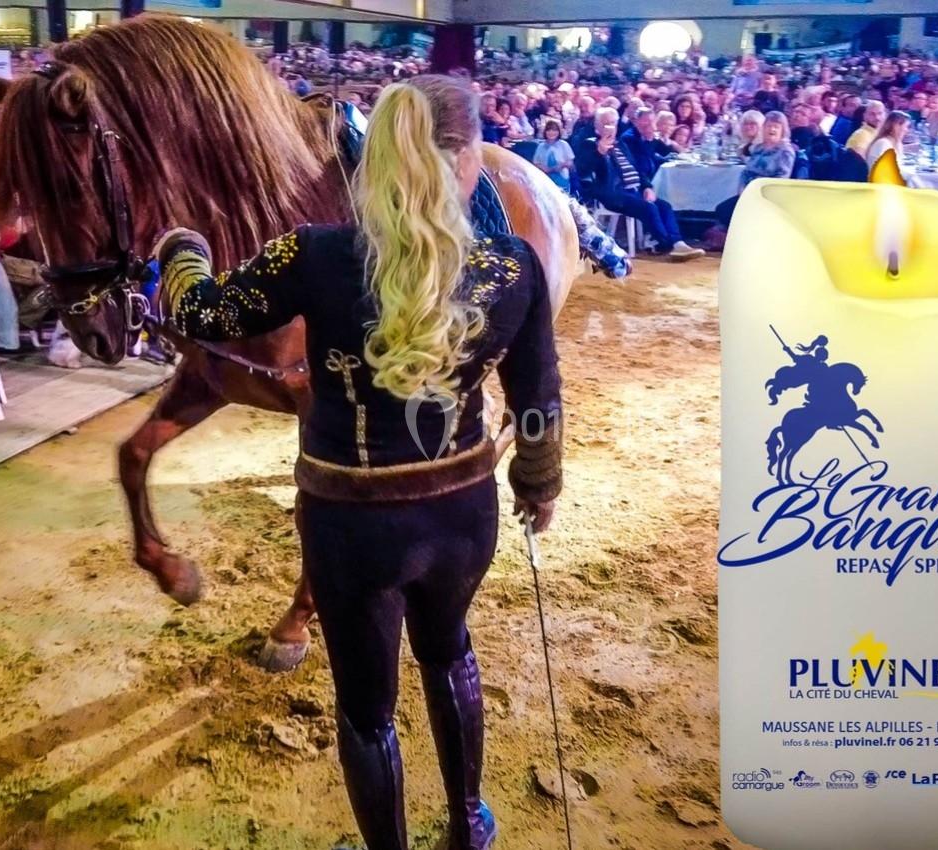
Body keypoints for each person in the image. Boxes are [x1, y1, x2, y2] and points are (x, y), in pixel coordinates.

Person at [154, 75, 561, 850]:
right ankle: (469, 823)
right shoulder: (513, 265)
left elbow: (201, 313)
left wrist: (183, 249)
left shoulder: (315, 255)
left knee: (368, 712)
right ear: (466, 158)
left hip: (351, 527)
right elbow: (538, 394)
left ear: (376, 159)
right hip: (463, 515)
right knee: (449, 652)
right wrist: (538, 481)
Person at [578, 115, 703, 260]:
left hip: (636, 191)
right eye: (606, 123)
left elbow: (637, 168)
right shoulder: (589, 144)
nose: (610, 126)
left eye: (613, 123)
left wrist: (647, 187)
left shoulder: (621, 144)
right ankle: (668, 245)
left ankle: (678, 243)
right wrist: (599, 152)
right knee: (649, 208)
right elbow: (582, 169)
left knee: (665, 206)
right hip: (614, 193)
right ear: (597, 128)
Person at [621, 106, 673, 184]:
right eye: (646, 120)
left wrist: (668, 160)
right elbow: (637, 163)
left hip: (652, 176)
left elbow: (655, 154)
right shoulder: (629, 137)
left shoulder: (649, 135)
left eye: (652, 121)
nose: (650, 124)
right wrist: (649, 139)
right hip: (639, 180)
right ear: (636, 121)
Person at [532, 118, 574, 192]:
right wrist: (544, 168)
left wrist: (561, 165)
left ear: (558, 132)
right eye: (549, 130)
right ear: (545, 132)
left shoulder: (564, 144)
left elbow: (570, 162)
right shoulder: (541, 146)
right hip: (545, 178)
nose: (551, 133)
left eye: (554, 130)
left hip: (562, 177)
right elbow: (535, 163)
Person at [865, 110, 911, 175]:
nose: (907, 130)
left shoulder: (897, 143)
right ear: (896, 126)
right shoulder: (883, 143)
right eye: (906, 126)